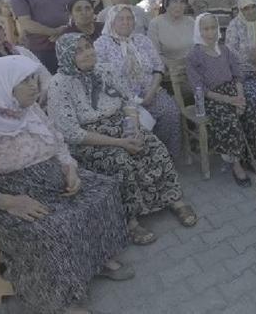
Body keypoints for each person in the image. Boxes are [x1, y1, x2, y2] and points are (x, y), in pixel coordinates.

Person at [0, 56, 133, 314]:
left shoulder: (27, 108)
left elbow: (56, 139)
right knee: (49, 227)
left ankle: (97, 259)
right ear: (3, 85)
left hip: (47, 175)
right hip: (3, 194)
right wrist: (8, 202)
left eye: (34, 78)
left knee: (105, 191)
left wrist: (69, 168)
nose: (34, 86)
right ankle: (58, 301)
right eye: (24, 81)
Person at [48, 34, 198, 245]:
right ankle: (130, 221)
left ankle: (174, 198)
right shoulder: (58, 84)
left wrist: (134, 128)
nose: (87, 53)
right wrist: (120, 143)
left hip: (120, 123)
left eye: (88, 46)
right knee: (119, 159)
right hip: (91, 137)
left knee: (153, 146)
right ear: (66, 56)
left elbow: (128, 100)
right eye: (78, 50)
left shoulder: (105, 69)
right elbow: (71, 133)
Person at [94, 5, 182, 157]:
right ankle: (147, 158)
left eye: (129, 19)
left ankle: (167, 156)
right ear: (111, 22)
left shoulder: (142, 40)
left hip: (150, 91)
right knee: (132, 126)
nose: (126, 22)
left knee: (170, 111)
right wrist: (127, 100)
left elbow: (158, 67)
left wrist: (151, 92)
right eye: (120, 19)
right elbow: (100, 77)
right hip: (120, 99)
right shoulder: (101, 44)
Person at [187, 13, 255, 184]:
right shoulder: (194, 55)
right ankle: (236, 164)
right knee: (229, 119)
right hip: (211, 98)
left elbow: (237, 76)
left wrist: (240, 98)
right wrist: (229, 100)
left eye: (213, 28)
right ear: (198, 30)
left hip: (232, 92)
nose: (210, 33)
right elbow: (200, 89)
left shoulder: (225, 50)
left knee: (251, 112)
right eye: (206, 29)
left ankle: (249, 156)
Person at [11, 0, 72, 73]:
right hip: (41, 50)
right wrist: (55, 32)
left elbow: (73, 14)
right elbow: (26, 24)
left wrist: (65, 29)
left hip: (68, 46)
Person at [225, 0, 256, 128]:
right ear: (240, 10)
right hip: (243, 74)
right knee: (253, 96)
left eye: (253, 7)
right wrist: (251, 55)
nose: (250, 11)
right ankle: (252, 136)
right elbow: (231, 54)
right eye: (246, 8)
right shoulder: (234, 26)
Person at [148, 0, 196, 80]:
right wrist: (174, 66)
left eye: (182, 2)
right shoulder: (155, 24)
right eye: (174, 1)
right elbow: (155, 54)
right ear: (166, 4)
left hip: (192, 69)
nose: (179, 6)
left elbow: (198, 48)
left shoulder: (191, 21)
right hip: (169, 74)